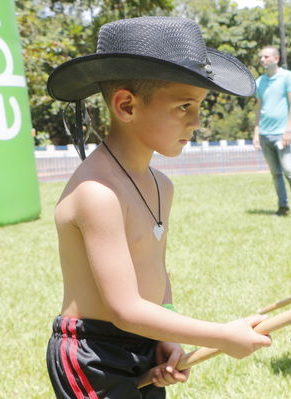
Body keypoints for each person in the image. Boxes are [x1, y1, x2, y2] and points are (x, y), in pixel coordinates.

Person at [45, 17, 271, 398]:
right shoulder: (97, 193)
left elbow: (155, 268)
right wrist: (222, 336)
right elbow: (123, 309)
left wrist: (165, 331)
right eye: (184, 106)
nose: (197, 121)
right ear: (126, 106)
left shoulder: (161, 185)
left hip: (145, 340)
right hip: (92, 355)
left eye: (198, 106)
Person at [253, 46, 291, 217]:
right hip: (265, 134)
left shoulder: (288, 77)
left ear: (276, 59)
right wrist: (256, 132)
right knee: (275, 173)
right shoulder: (259, 82)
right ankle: (283, 207)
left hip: (282, 133)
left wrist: (288, 131)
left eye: (266, 56)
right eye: (261, 57)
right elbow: (258, 108)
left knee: (289, 170)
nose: (262, 60)